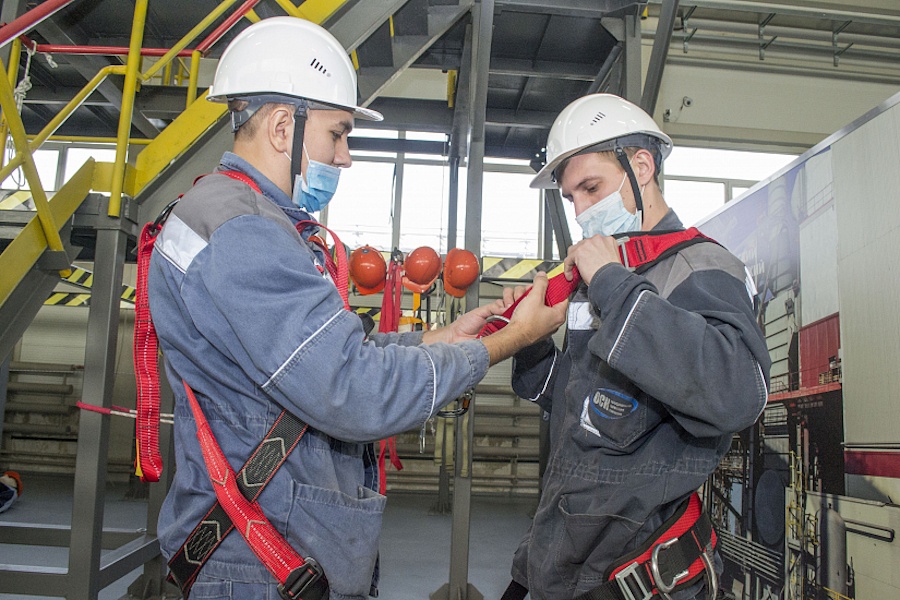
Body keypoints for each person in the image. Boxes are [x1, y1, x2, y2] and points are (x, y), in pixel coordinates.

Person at [146, 16, 566, 600]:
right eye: (337, 134)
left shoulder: (239, 218)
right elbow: (354, 390)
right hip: (258, 560)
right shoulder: (243, 233)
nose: (344, 157)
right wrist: (506, 342)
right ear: (280, 126)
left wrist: (446, 336)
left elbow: (330, 355)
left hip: (267, 546)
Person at [501, 93, 771, 600]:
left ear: (640, 166)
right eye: (571, 198)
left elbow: (738, 394)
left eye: (591, 188)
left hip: (638, 580)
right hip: (561, 562)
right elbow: (577, 410)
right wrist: (529, 340)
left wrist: (611, 283)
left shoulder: (700, 268)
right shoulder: (606, 277)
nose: (581, 212)